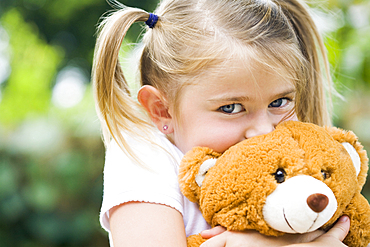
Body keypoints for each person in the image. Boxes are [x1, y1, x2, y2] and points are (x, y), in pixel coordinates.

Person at [92, 0, 351, 246]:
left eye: (279, 102)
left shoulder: (305, 160)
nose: (263, 131)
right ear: (162, 110)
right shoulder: (144, 155)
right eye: (231, 108)